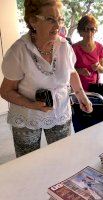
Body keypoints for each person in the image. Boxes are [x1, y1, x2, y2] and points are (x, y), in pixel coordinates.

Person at [0, 0, 92, 157]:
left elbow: (71, 72)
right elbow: (6, 91)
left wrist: (81, 95)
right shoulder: (18, 51)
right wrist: (32, 105)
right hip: (27, 117)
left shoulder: (64, 46)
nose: (58, 25)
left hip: (60, 112)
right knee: (28, 163)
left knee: (61, 157)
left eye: (60, 19)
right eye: (50, 19)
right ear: (33, 21)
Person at [72, 15, 103, 92]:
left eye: (92, 29)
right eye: (86, 29)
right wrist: (79, 71)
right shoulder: (74, 48)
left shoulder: (100, 47)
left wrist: (98, 67)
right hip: (77, 89)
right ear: (80, 31)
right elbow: (68, 70)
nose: (89, 33)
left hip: (95, 88)